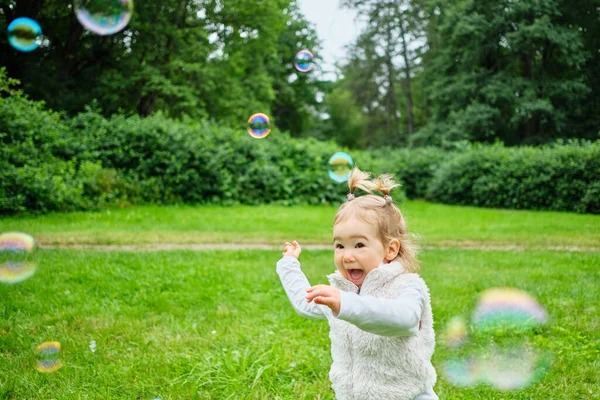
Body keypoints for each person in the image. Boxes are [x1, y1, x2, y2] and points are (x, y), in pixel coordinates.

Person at [276, 168, 438, 400]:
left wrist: (346, 304)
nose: (347, 256)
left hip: (407, 394)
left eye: (359, 245)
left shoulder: (407, 286)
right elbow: (306, 302)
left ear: (390, 249)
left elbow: (404, 319)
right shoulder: (342, 291)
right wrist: (289, 265)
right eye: (340, 246)